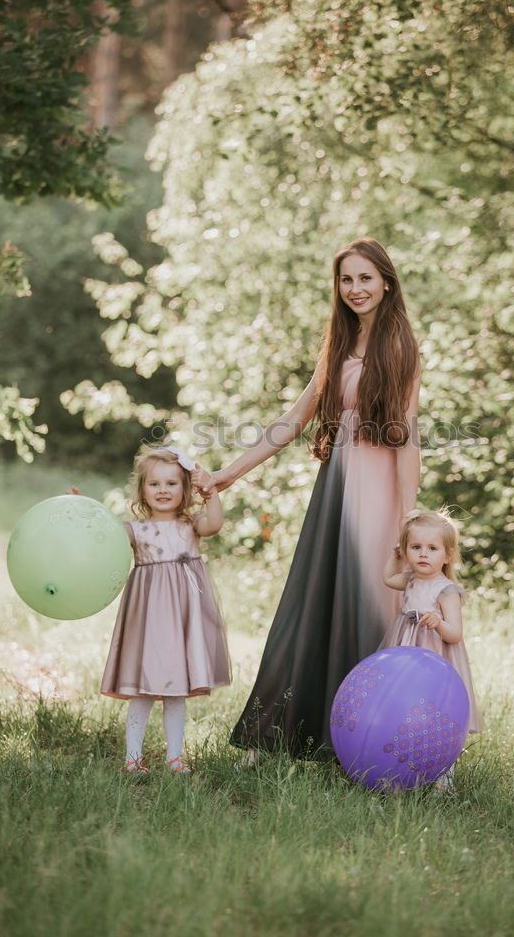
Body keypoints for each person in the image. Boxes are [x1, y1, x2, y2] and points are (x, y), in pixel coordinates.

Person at [198, 237, 421, 759]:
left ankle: (369, 741)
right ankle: (281, 735)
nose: (356, 289)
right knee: (310, 603)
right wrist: (230, 473)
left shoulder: (400, 345)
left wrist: (408, 519)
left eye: (366, 278)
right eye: (347, 279)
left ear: (386, 281)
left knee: (368, 609)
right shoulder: (340, 344)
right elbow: (293, 421)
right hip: (336, 490)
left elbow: (407, 436)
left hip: (379, 495)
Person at [101, 444, 231, 775]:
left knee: (176, 689)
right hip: (147, 621)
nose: (163, 490)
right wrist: (84, 513)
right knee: (142, 687)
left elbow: (214, 524)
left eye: (171, 484)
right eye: (154, 484)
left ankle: (175, 756)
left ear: (184, 488)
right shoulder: (134, 529)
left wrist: (210, 489)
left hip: (183, 619)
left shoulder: (191, 524)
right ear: (142, 490)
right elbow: (101, 540)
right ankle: (132, 759)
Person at [380, 508, 482, 789]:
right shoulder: (410, 578)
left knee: (435, 711)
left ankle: (443, 771)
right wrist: (395, 557)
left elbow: (455, 634)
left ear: (447, 555)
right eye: (415, 547)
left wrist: (438, 623)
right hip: (406, 651)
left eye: (432, 548)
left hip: (434, 657)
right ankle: (401, 763)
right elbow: (388, 579)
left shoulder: (446, 590)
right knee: (406, 706)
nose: (423, 554)